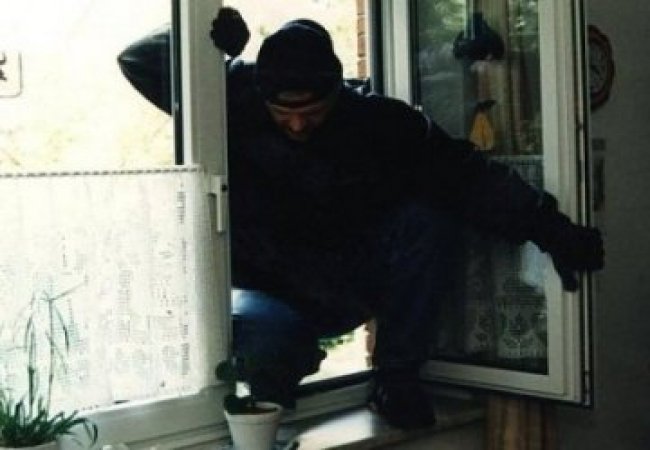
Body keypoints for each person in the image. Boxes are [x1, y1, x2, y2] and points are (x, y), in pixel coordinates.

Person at [118, 8, 604, 429]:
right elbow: (138, 60)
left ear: (336, 91)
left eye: (312, 111)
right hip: (260, 290)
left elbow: (466, 175)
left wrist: (549, 227)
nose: (297, 124)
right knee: (275, 344)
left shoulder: (379, 122)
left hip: (341, 286)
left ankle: (396, 379)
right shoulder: (234, 97)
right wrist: (207, 40)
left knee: (429, 217)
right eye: (283, 113)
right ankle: (266, 414)